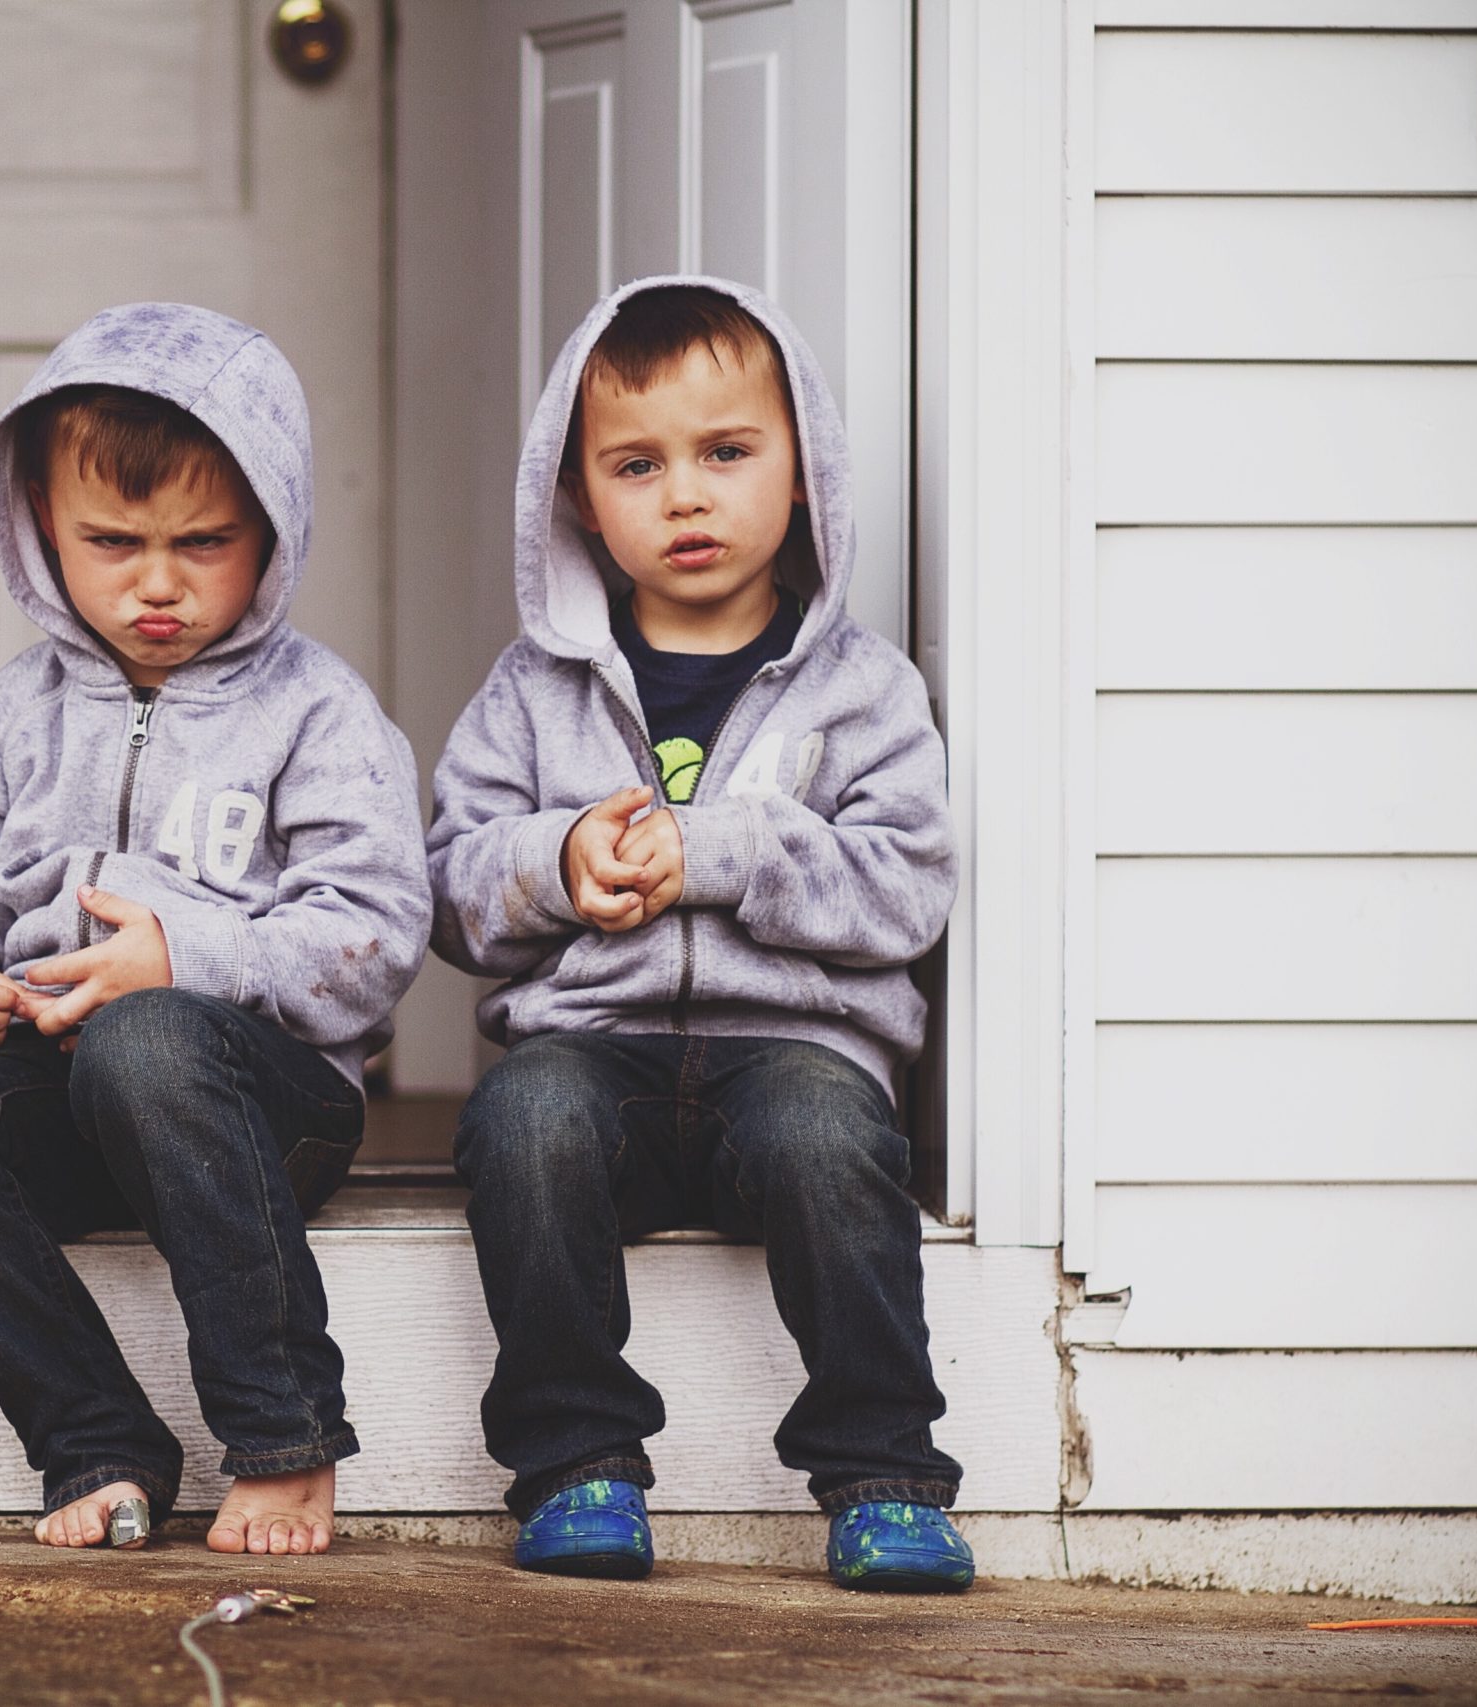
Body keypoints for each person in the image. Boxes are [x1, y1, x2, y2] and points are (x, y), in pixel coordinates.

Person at [0, 302, 430, 1558]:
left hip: (264, 1109)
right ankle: (95, 1437)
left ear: (271, 533)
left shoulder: (317, 712)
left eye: (203, 543)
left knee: (150, 1037)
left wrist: (188, 957)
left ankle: (283, 1436)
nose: (157, 583)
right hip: (71, 1091)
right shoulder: (12, 717)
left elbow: (375, 935)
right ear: (41, 528)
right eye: (112, 542)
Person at [427, 279, 971, 1591]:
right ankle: (578, 1462)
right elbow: (447, 887)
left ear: (803, 474)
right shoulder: (532, 690)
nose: (685, 494)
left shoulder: (866, 690)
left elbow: (906, 890)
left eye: (727, 452)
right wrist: (559, 863)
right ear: (576, 497)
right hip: (591, 1051)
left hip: (792, 1051)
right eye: (637, 464)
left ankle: (884, 1472)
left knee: (831, 1139)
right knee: (522, 1124)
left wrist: (724, 849)